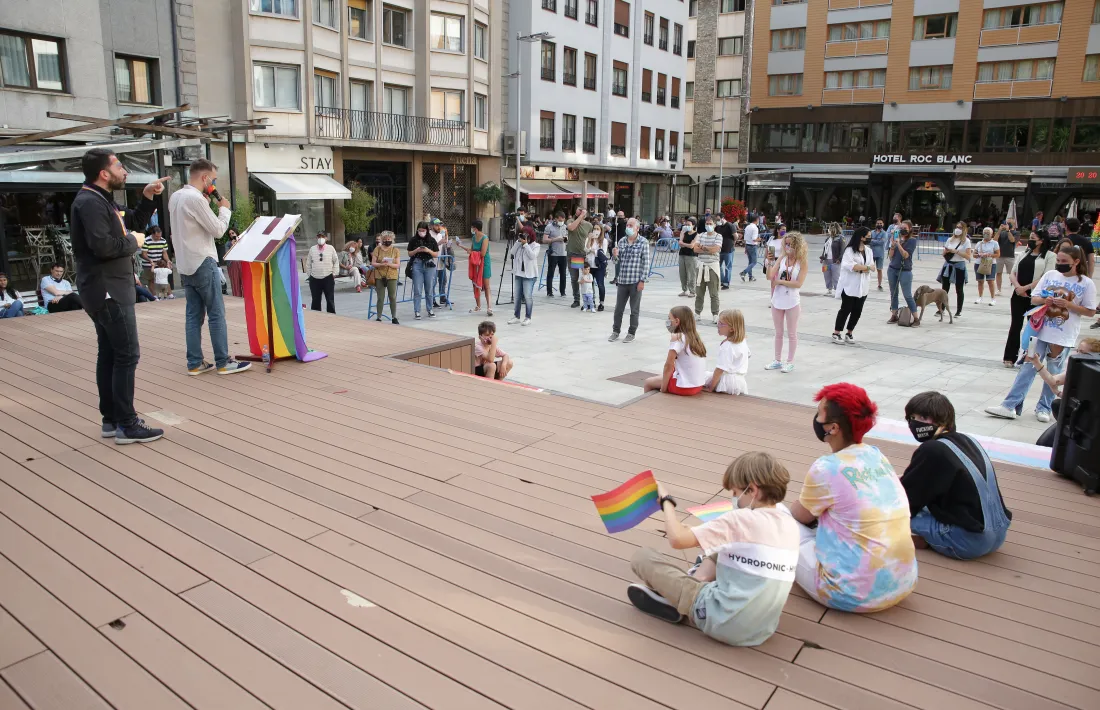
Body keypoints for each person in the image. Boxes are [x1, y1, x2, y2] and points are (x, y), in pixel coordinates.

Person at [628, 452, 799, 646]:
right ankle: (693, 583)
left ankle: (682, 599)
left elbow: (676, 540)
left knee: (642, 557)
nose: (734, 500)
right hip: (762, 630)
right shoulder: (789, 523)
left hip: (718, 620)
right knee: (724, 546)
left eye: (735, 493)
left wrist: (667, 502)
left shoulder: (740, 519)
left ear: (752, 490)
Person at [787, 383, 918, 612]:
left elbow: (800, 515)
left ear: (833, 428)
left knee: (777, 516)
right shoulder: (877, 456)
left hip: (846, 593)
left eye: (819, 413)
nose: (816, 419)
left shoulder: (827, 467)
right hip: (903, 583)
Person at [70, 147, 167, 443]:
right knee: (126, 354)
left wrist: (148, 197)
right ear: (104, 173)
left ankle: (111, 420)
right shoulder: (89, 202)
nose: (125, 171)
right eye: (120, 166)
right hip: (108, 290)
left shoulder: (101, 200)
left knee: (110, 353)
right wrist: (134, 242)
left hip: (107, 288)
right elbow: (106, 246)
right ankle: (127, 424)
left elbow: (132, 224)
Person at [985, 245, 1097, 422]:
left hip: (1062, 335)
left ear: (1076, 262)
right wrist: (1046, 300)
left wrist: (1068, 305)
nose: (1060, 264)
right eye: (1058, 261)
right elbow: (1034, 298)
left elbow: (1090, 311)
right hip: (1039, 330)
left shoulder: (1086, 283)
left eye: (1064, 262)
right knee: (1027, 367)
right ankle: (1010, 405)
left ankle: (1044, 407)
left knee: (1053, 372)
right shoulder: (1050, 275)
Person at [900, 392, 1011, 560]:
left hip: (968, 542)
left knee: (886, 514)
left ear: (942, 420)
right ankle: (932, 537)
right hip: (998, 534)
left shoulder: (932, 450)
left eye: (923, 417)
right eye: (911, 418)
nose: (915, 423)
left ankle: (932, 539)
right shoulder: (968, 441)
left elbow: (907, 502)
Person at [169, 158, 251, 376]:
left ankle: (194, 362)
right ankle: (223, 361)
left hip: (185, 263)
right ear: (205, 178)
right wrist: (224, 209)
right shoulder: (196, 199)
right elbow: (218, 230)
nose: (214, 184)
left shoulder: (176, 197)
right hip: (203, 261)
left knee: (193, 314)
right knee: (216, 313)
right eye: (213, 179)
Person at [1031, 338, 1100, 446]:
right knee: (1043, 443)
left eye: (1083, 353)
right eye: (1077, 351)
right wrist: (1036, 362)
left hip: (1091, 421)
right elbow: (1053, 380)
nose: (1077, 355)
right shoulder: (1076, 367)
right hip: (1074, 417)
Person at [1002, 233, 1056, 366]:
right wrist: (1018, 288)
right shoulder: (1023, 253)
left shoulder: (1050, 256)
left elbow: (1046, 277)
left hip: (1036, 297)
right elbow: (1013, 273)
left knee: (1033, 328)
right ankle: (1010, 356)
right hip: (1018, 295)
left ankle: (1030, 357)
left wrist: (1027, 287)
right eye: (1030, 238)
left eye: (1033, 239)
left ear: (1041, 241)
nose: (1031, 241)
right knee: (1015, 325)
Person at [644, 306, 707, 395]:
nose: (668, 322)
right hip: (698, 385)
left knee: (648, 382)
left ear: (677, 321)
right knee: (670, 373)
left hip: (683, 387)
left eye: (669, 319)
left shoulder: (678, 337)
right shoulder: (695, 337)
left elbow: (668, 366)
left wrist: (663, 388)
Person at [767, 231, 807, 372]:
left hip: (792, 300)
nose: (788, 247)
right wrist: (769, 263)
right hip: (777, 299)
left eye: (791, 244)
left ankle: (790, 361)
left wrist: (780, 281)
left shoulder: (802, 262)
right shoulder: (782, 259)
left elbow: (798, 283)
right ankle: (777, 359)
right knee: (778, 332)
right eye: (786, 244)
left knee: (791, 333)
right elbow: (770, 277)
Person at [608, 217, 649, 343]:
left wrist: (642, 280)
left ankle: (631, 332)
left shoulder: (643, 242)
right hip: (623, 280)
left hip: (635, 281)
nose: (628, 228)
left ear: (637, 228)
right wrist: (614, 255)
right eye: (627, 225)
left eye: (631, 226)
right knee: (618, 308)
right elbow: (616, 262)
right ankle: (616, 331)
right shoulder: (621, 241)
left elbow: (646, 263)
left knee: (634, 309)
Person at [831, 227, 874, 345]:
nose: (869, 239)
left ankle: (849, 333)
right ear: (861, 237)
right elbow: (850, 266)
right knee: (845, 310)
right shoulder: (849, 251)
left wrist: (862, 268)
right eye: (868, 236)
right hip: (849, 286)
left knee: (857, 311)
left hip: (863, 287)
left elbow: (872, 267)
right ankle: (836, 332)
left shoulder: (869, 251)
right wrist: (864, 268)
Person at [704, 309, 749, 395]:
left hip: (727, 383)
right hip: (739, 382)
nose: (718, 325)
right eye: (718, 322)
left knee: (703, 377)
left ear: (732, 329)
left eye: (721, 324)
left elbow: (720, 369)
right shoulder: (742, 340)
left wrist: (710, 387)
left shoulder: (727, 346)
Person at [508, 220, 540, 326]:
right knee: (517, 296)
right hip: (518, 274)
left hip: (529, 275)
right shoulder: (519, 244)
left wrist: (526, 244)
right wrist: (518, 242)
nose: (524, 237)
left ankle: (528, 317)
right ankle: (516, 316)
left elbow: (532, 256)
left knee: (527, 296)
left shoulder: (536, 245)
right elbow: (512, 253)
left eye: (526, 235)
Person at [885, 225, 919, 325]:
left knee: (907, 295)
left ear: (910, 229)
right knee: (893, 293)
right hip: (892, 269)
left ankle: (916, 318)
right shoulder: (897, 239)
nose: (903, 230)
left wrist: (898, 244)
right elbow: (890, 257)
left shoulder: (912, 240)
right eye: (901, 228)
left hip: (905, 270)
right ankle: (894, 314)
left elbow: (905, 255)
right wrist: (892, 245)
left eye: (905, 228)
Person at [457, 219, 492, 316]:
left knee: (486, 285)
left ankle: (489, 307)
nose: (471, 229)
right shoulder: (473, 238)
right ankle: (478, 306)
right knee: (475, 284)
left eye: (472, 227)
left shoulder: (485, 238)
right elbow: (471, 250)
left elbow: (483, 253)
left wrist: (472, 253)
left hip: (484, 263)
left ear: (475, 228)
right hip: (475, 263)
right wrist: (461, 246)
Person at [939, 222, 972, 319]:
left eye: (960, 228)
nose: (958, 229)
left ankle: (958, 310)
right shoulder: (950, 239)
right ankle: (942, 308)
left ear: (964, 229)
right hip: (948, 265)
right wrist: (946, 251)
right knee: (945, 288)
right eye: (957, 227)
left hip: (959, 266)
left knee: (959, 289)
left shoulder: (966, 241)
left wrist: (956, 251)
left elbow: (968, 256)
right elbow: (943, 253)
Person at [407, 221, 439, 320]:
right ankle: (417, 311)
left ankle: (430, 309)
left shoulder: (431, 240)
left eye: (423, 230)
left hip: (429, 264)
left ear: (427, 230)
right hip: (417, 264)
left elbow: (436, 254)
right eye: (419, 230)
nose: (421, 232)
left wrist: (427, 250)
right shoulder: (413, 239)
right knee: (417, 289)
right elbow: (409, 253)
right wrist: (417, 250)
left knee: (429, 289)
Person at [694, 216, 723, 323]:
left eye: (710, 224)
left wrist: (704, 247)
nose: (708, 226)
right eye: (707, 224)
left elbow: (716, 249)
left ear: (715, 225)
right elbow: (695, 248)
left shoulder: (718, 236)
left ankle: (715, 314)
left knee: (713, 293)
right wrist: (706, 249)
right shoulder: (700, 235)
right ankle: (697, 313)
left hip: (712, 267)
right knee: (699, 293)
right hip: (701, 266)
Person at [566, 207, 594, 308]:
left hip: (583, 254)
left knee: (586, 277)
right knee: (574, 278)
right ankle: (576, 299)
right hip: (572, 253)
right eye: (579, 210)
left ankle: (590, 299)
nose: (580, 211)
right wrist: (580, 216)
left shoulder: (589, 225)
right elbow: (571, 228)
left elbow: (591, 238)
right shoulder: (570, 221)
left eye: (582, 210)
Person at [305, 232, 340, 313]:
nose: (320, 238)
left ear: (326, 238)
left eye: (322, 236)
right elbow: (308, 263)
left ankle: (331, 317)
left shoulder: (331, 248)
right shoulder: (312, 249)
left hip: (328, 277)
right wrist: (310, 274)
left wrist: (334, 273)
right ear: (316, 238)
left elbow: (336, 261)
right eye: (319, 237)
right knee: (315, 300)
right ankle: (316, 317)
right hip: (315, 278)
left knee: (330, 300)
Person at [371, 231, 401, 324]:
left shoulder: (395, 250)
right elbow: (373, 263)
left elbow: (398, 265)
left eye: (389, 239)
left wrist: (390, 264)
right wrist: (381, 264)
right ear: (382, 240)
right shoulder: (377, 249)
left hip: (392, 275)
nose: (387, 241)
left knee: (392, 296)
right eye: (385, 239)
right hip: (380, 275)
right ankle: (379, 316)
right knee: (380, 297)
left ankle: (394, 317)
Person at [584, 222, 610, 311]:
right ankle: (591, 302)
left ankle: (601, 303)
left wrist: (592, 250)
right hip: (589, 266)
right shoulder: (589, 239)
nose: (595, 231)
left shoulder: (604, 241)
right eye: (594, 229)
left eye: (597, 229)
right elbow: (586, 250)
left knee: (600, 284)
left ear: (601, 231)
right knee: (589, 285)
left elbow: (602, 253)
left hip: (599, 266)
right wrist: (589, 240)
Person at [542, 210, 568, 298]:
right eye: (560, 220)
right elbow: (544, 240)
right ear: (556, 219)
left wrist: (566, 239)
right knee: (551, 272)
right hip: (553, 253)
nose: (561, 222)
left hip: (563, 253)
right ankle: (549, 291)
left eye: (563, 220)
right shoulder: (549, 227)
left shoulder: (565, 227)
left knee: (563, 273)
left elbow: (568, 239)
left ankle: (562, 291)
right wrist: (555, 239)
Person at [430, 218, 455, 306]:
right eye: (436, 225)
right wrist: (439, 243)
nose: (438, 227)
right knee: (433, 282)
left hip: (441, 261)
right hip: (433, 263)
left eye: (439, 225)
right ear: (432, 226)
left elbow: (443, 247)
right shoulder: (429, 235)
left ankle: (442, 297)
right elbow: (429, 248)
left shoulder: (440, 235)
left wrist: (447, 246)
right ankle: (432, 299)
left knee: (443, 280)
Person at [973, 227, 1000, 306]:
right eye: (985, 232)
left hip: (990, 263)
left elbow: (998, 254)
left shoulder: (994, 243)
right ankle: (980, 297)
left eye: (988, 233)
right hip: (979, 263)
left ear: (991, 234)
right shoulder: (979, 243)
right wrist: (978, 255)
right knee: (980, 281)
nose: (986, 234)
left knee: (990, 281)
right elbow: (974, 254)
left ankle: (993, 298)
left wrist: (989, 255)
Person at [820, 223, 844, 296]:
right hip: (826, 260)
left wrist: (840, 259)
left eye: (831, 228)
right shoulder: (828, 239)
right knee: (826, 275)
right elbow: (825, 249)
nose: (829, 230)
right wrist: (822, 257)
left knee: (836, 276)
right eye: (830, 228)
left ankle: (837, 290)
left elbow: (843, 250)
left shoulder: (840, 238)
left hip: (835, 261)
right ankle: (829, 289)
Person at [677, 217, 698, 297]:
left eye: (688, 225)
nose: (687, 226)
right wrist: (682, 232)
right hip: (682, 254)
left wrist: (684, 244)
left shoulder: (696, 234)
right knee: (682, 273)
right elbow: (680, 242)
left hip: (691, 255)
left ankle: (692, 291)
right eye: (686, 224)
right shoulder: (684, 233)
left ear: (693, 225)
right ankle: (684, 289)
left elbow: (692, 246)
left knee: (691, 273)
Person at [995, 222, 1016, 297]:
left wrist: (1008, 231)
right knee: (998, 273)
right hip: (1000, 256)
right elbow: (995, 240)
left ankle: (1015, 288)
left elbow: (1012, 240)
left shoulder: (1015, 232)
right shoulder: (1001, 233)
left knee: (1012, 273)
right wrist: (999, 230)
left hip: (1010, 256)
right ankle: (998, 289)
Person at [740, 215, 761, 282]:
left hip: (748, 245)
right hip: (752, 246)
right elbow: (754, 239)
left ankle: (750, 277)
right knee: (754, 262)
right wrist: (759, 239)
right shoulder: (755, 228)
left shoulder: (747, 227)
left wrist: (746, 247)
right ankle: (744, 272)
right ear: (756, 219)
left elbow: (745, 238)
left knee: (750, 262)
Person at [717, 215, 736, 289]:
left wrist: (733, 242)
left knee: (728, 266)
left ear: (723, 218)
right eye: (717, 219)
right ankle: (722, 280)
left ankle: (726, 283)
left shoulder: (729, 225)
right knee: (719, 265)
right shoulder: (718, 227)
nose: (718, 221)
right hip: (720, 249)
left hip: (728, 249)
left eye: (719, 219)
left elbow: (735, 235)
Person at [869, 220, 887, 291]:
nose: (879, 224)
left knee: (879, 269)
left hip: (880, 254)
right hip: (871, 253)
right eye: (878, 223)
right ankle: (866, 283)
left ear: (883, 224)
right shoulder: (871, 232)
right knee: (868, 268)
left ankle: (879, 284)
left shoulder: (884, 233)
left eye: (880, 223)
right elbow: (869, 241)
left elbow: (882, 242)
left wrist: (873, 240)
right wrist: (875, 241)